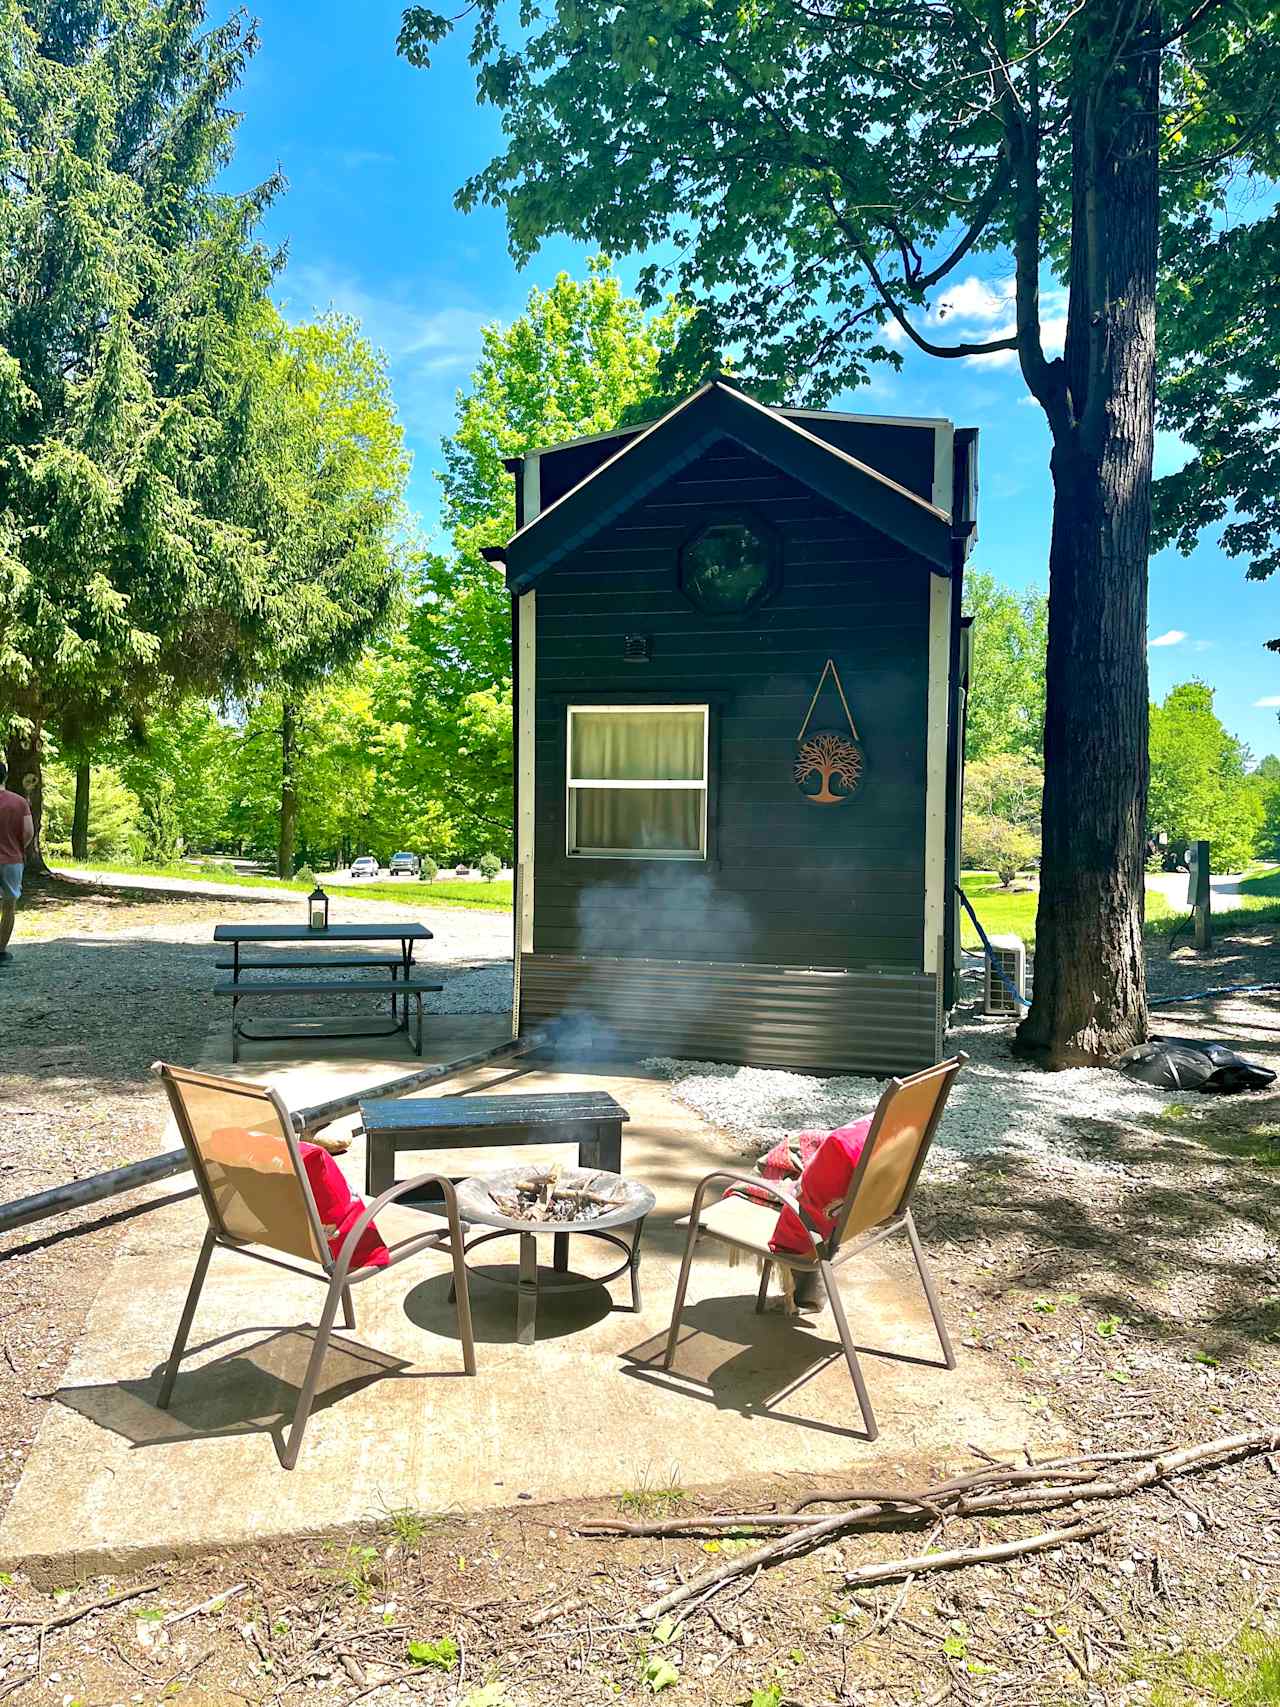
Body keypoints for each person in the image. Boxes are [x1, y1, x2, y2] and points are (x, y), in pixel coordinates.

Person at [0, 759, 35, 965]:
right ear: (5, 777)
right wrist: (18, 847)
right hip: (12, 860)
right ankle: (1, 951)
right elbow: (29, 832)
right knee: (9, 906)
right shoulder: (19, 802)